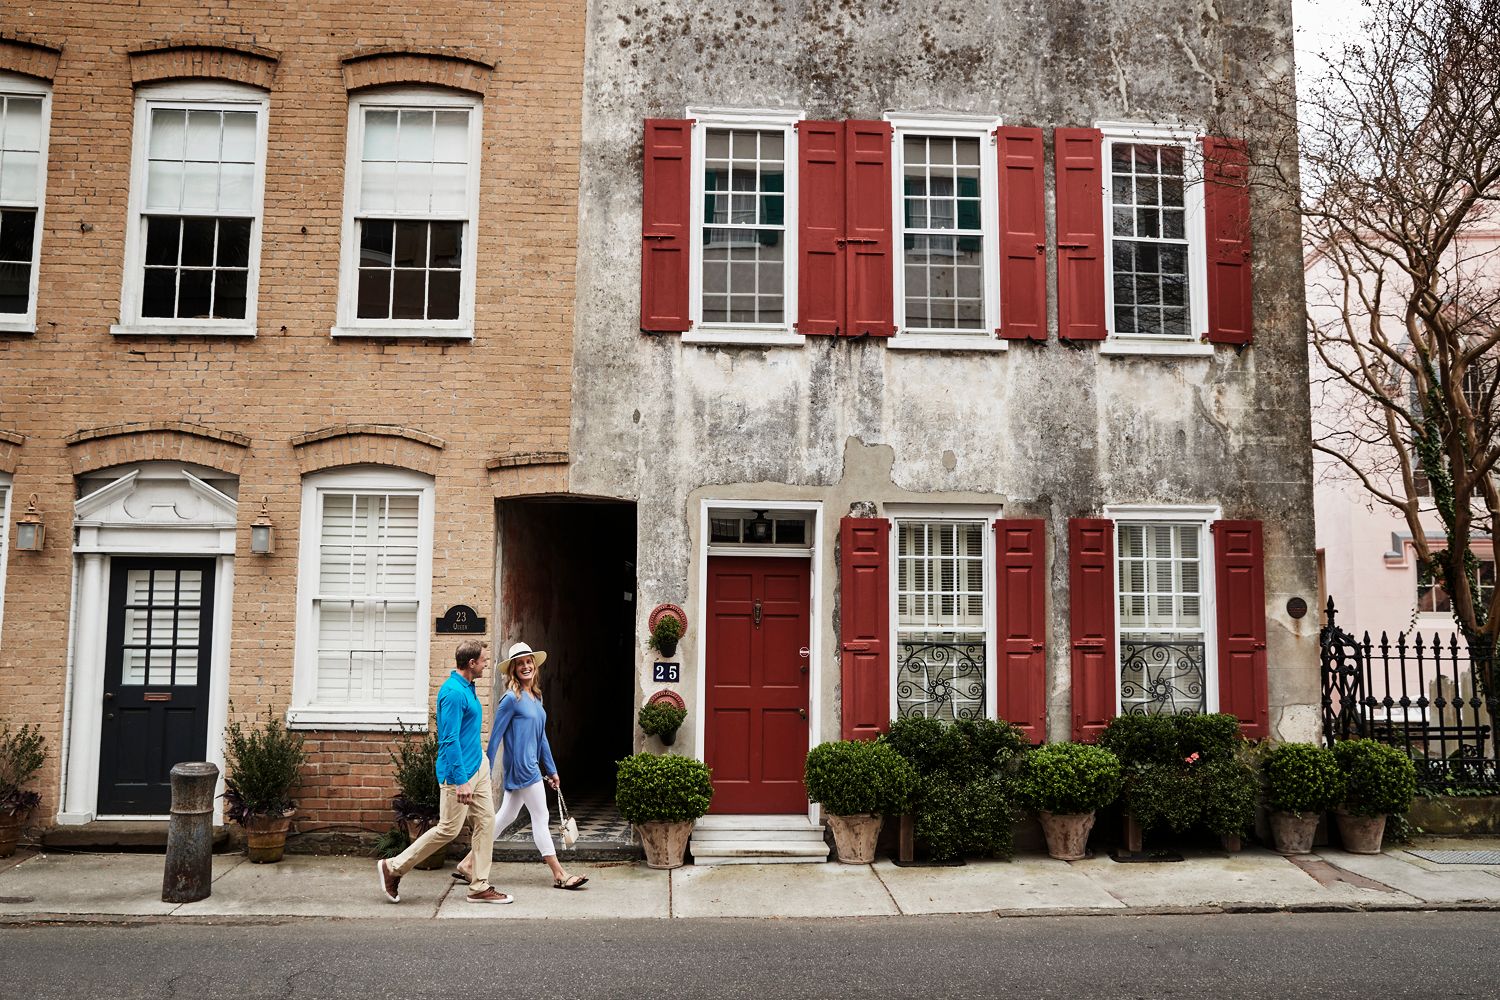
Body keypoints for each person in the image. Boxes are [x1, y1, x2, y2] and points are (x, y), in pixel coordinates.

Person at [377, 640, 511, 904]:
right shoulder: (452, 693)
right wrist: (461, 781)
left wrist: (482, 762)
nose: (486, 664)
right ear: (471, 663)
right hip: (458, 775)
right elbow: (449, 740)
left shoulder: (468, 686)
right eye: (484, 660)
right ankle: (392, 867)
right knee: (448, 829)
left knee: (486, 822)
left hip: (478, 767)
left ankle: (479, 885)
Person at [454, 640, 588, 890]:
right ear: (513, 669)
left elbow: (541, 737)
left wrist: (552, 769)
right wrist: (485, 771)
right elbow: (495, 737)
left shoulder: (536, 697)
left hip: (532, 766)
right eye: (520, 664)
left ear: (534, 666)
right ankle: (559, 873)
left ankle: (468, 862)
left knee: (506, 816)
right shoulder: (510, 699)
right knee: (541, 816)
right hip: (522, 768)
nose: (526, 666)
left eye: (529, 662)